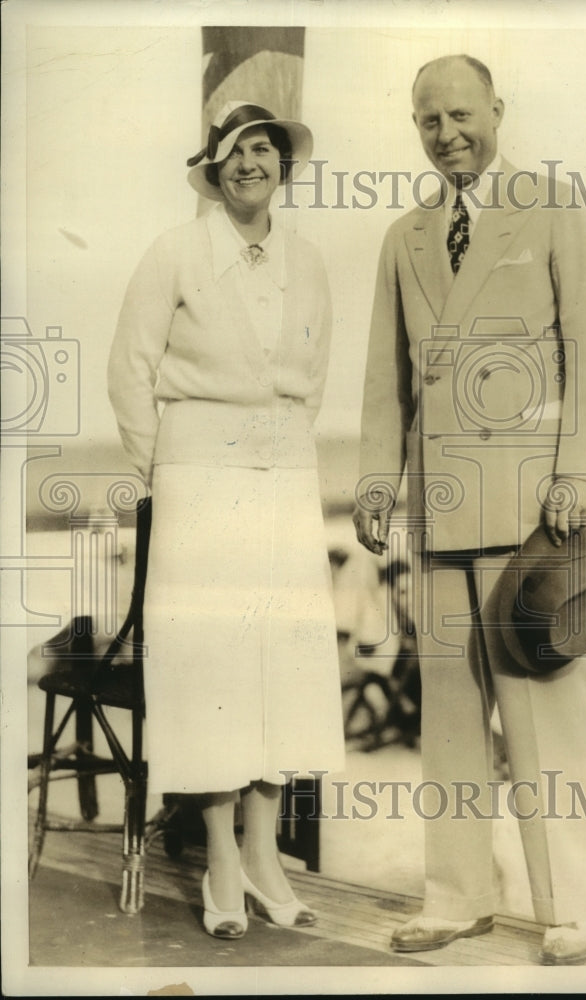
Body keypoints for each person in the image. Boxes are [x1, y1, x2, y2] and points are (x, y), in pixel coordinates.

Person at [353, 55, 586, 963]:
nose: (446, 135)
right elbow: (386, 382)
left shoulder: (555, 207)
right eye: (428, 121)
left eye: (461, 115)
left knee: (546, 720)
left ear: (498, 110)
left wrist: (581, 472)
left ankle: (567, 907)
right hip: (436, 511)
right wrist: (376, 482)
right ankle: (458, 894)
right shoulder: (405, 235)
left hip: (533, 511)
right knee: (452, 718)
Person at [108, 101, 344, 939]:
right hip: (198, 477)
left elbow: (312, 376)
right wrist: (161, 472)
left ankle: (263, 851)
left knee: (282, 658)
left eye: (267, 149)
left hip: (283, 475)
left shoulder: (308, 260)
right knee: (209, 664)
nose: (253, 163)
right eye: (237, 151)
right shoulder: (175, 250)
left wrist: (276, 442)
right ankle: (217, 853)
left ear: (284, 164)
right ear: (213, 166)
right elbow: (130, 367)